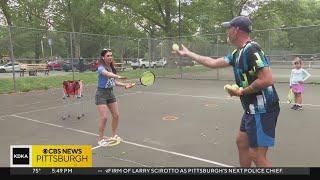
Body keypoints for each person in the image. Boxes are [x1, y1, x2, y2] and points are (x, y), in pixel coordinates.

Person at [176, 16, 280, 167]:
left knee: (257, 155)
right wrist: (189, 54)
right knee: (242, 142)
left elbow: (267, 79)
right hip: (251, 109)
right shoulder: (236, 53)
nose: (226, 32)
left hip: (262, 109)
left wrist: (242, 92)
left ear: (236, 30)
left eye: (228, 28)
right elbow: (212, 62)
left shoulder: (251, 49)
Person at [95, 48, 134, 146]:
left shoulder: (112, 68)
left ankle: (114, 135)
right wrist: (119, 76)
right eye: (108, 56)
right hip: (101, 94)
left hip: (110, 93)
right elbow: (107, 74)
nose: (110, 57)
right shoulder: (101, 68)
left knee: (116, 115)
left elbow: (114, 82)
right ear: (103, 57)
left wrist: (125, 85)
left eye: (111, 55)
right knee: (104, 118)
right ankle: (100, 139)